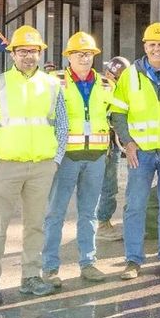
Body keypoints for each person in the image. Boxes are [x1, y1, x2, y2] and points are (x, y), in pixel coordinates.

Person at [0, 25, 68, 304]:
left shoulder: (52, 85)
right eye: (23, 51)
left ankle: (30, 277)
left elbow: (62, 125)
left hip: (41, 166)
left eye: (33, 51)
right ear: (13, 53)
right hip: (5, 165)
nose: (28, 56)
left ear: (41, 53)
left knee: (35, 225)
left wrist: (55, 159)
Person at [41, 32, 125, 288]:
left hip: (96, 158)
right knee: (55, 213)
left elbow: (118, 114)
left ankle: (88, 263)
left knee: (88, 214)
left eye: (88, 54)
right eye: (79, 54)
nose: (84, 58)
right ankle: (50, 267)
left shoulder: (105, 84)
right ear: (69, 56)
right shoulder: (53, 82)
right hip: (65, 158)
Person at [110, 22, 160, 280]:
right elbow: (118, 113)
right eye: (152, 44)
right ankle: (133, 260)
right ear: (145, 46)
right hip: (140, 152)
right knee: (135, 205)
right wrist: (128, 142)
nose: (157, 49)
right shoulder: (130, 75)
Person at [97, 56, 130, 242]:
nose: (107, 75)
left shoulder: (109, 88)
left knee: (106, 185)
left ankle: (103, 222)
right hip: (106, 142)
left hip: (108, 142)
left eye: (111, 73)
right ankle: (102, 224)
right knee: (107, 185)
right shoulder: (111, 89)